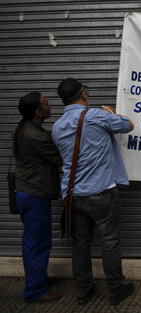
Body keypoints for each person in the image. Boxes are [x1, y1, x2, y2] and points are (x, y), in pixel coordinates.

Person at [52, 78, 135, 305]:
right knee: (109, 242)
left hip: (73, 195)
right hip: (101, 194)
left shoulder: (57, 126)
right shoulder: (97, 116)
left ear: (61, 100)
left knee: (80, 244)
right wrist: (113, 114)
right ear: (84, 94)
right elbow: (128, 125)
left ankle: (83, 291)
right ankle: (116, 290)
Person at [13, 92, 62, 303]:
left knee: (34, 240)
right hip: (34, 195)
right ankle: (35, 291)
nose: (50, 105)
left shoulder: (24, 127)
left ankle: (38, 279)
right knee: (37, 242)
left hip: (27, 192)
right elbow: (60, 158)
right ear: (38, 112)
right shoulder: (36, 136)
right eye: (46, 104)